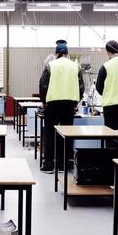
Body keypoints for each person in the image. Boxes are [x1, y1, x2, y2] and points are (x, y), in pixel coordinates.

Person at [38, 39, 84, 172]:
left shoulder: (50, 65)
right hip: (69, 105)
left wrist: (44, 102)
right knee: (66, 134)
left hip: (52, 104)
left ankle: (48, 164)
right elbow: (81, 87)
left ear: (56, 53)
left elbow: (43, 85)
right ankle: (63, 164)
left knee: (49, 133)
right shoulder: (76, 66)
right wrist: (76, 102)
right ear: (67, 53)